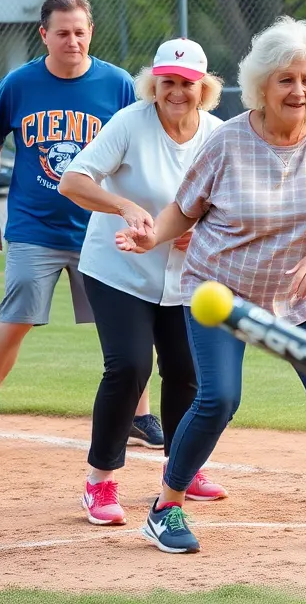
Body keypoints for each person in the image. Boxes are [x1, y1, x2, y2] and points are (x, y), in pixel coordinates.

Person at [116, 15, 306, 554]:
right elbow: (185, 211)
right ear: (262, 86)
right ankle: (165, 508)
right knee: (220, 397)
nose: (299, 91)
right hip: (221, 291)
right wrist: (151, 237)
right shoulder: (227, 141)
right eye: (286, 80)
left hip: (302, 293)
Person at [0, 0, 159, 457]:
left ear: (91, 32)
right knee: (18, 317)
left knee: (126, 323)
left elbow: (142, 148)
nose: (73, 40)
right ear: (44, 34)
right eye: (63, 32)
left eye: (81, 31)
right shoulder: (18, 84)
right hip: (35, 227)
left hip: (101, 227)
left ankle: (139, 414)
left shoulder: (118, 84)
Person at [58, 38, 230, 525]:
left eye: (187, 84)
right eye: (167, 82)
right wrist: (125, 206)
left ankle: (183, 467)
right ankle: (100, 482)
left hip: (185, 277)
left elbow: (230, 206)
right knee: (129, 366)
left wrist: (197, 231)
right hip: (119, 269)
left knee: (186, 372)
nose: (176, 92)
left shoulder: (219, 135)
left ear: (205, 88)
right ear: (154, 84)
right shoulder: (130, 122)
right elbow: (73, 180)